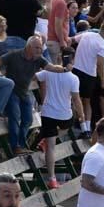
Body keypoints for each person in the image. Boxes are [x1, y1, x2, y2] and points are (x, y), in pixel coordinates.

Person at [36, 56, 82, 189]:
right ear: (71, 63)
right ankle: (46, 140)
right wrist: (82, 115)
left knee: (51, 147)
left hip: (47, 113)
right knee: (66, 125)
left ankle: (52, 178)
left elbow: (34, 77)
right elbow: (76, 99)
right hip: (64, 115)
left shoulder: (47, 72)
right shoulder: (73, 78)